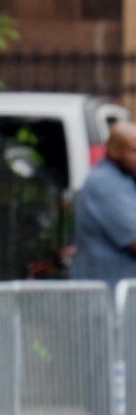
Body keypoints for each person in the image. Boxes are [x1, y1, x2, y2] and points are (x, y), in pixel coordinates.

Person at [71, 121, 136, 289]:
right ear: (114, 150)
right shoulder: (105, 183)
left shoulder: (126, 180)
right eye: (134, 150)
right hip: (108, 297)